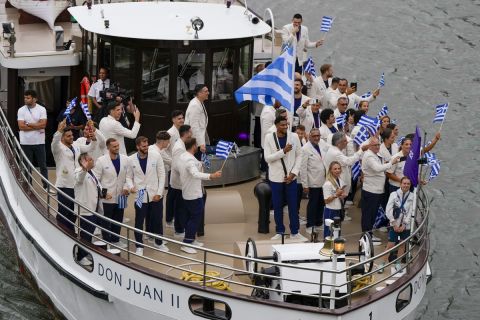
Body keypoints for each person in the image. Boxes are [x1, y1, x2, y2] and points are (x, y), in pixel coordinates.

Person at [264, 116, 307, 241]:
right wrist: (283, 151)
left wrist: (294, 173)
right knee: (277, 206)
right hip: (276, 178)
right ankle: (280, 231)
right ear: (276, 125)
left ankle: (295, 232)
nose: (285, 127)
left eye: (286, 125)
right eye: (282, 125)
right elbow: (268, 158)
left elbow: (299, 155)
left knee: (293, 206)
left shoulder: (293, 136)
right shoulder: (269, 137)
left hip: (291, 178)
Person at [178, 138, 222, 254]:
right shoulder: (189, 160)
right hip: (193, 194)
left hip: (188, 192)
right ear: (193, 146)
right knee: (195, 218)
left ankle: (191, 239)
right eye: (196, 145)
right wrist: (211, 176)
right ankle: (186, 243)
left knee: (191, 217)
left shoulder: (184, 156)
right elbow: (194, 173)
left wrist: (200, 164)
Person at [51, 120, 96, 232]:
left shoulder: (76, 145)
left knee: (74, 211)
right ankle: (60, 231)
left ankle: (70, 231)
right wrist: (58, 131)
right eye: (68, 136)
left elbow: (89, 148)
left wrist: (94, 140)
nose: (71, 137)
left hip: (76, 184)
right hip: (64, 185)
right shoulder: (58, 148)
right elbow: (54, 142)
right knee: (64, 211)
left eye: (72, 135)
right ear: (62, 138)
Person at [127, 136, 167, 256]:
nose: (146, 148)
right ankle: (139, 245)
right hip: (140, 194)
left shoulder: (156, 156)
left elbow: (162, 175)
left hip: (155, 193)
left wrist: (159, 193)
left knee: (157, 219)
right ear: (138, 147)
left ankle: (158, 243)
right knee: (139, 221)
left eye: (147, 145)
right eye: (143, 146)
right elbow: (129, 176)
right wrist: (130, 186)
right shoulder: (131, 159)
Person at [361, 137, 400, 244]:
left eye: (378, 145)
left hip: (376, 190)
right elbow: (377, 168)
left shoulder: (374, 154)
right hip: (371, 190)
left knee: (372, 214)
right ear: (369, 146)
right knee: (368, 214)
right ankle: (366, 237)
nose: (378, 147)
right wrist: (391, 163)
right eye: (375, 145)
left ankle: (369, 235)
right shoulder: (369, 156)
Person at [94, 138, 130, 248]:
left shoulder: (125, 159)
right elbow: (96, 179)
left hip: (122, 196)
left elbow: (128, 177)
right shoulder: (101, 160)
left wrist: (126, 187)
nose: (117, 148)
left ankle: (116, 239)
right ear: (108, 147)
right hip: (107, 197)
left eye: (117, 146)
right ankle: (106, 240)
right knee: (106, 220)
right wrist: (103, 194)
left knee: (118, 219)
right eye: (114, 146)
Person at [324, 132, 368, 221]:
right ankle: (336, 220)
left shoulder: (334, 150)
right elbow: (349, 161)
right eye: (345, 141)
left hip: (337, 181)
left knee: (338, 203)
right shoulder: (336, 153)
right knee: (336, 203)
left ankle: (338, 217)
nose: (347, 142)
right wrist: (361, 151)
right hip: (337, 182)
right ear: (339, 143)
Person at [378, 177, 414, 273]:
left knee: (402, 244)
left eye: (408, 184)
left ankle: (398, 264)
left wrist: (404, 224)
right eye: (404, 183)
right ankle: (382, 264)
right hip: (395, 224)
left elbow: (411, 211)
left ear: (410, 185)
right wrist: (394, 224)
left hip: (405, 226)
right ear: (400, 184)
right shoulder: (394, 194)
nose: (406, 185)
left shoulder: (412, 196)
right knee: (390, 245)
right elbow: (388, 210)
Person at [17, 90, 49, 190]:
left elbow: (43, 124)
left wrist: (28, 124)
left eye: (28, 98)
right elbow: (21, 127)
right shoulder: (21, 110)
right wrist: (37, 125)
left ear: (35, 99)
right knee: (27, 166)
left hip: (39, 142)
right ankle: (28, 185)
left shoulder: (42, 109)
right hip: (25, 142)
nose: (25, 100)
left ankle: (46, 186)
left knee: (43, 165)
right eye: (25, 98)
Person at [74, 153, 102, 266]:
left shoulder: (92, 172)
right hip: (85, 209)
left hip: (93, 207)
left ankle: (85, 253)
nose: (93, 160)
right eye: (90, 159)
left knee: (89, 233)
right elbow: (79, 179)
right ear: (83, 162)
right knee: (85, 234)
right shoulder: (78, 172)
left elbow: (96, 185)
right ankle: (80, 257)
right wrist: (84, 168)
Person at [300, 128, 328, 234]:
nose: (317, 138)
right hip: (312, 181)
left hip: (323, 180)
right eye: (314, 136)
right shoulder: (305, 149)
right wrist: (305, 185)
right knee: (313, 204)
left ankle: (318, 222)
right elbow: (303, 168)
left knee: (321, 202)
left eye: (318, 136)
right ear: (310, 136)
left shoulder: (322, 144)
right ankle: (310, 225)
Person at [169, 125, 193, 238]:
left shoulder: (181, 144)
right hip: (179, 182)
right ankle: (179, 230)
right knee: (180, 207)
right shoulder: (179, 147)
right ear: (186, 133)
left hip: (180, 181)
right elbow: (178, 166)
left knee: (180, 206)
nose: (191, 134)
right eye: (190, 132)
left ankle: (179, 228)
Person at [165, 111, 185, 227]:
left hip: (181, 168)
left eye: (182, 118)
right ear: (173, 120)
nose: (181, 120)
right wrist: (173, 163)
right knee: (172, 194)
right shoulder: (170, 133)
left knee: (178, 194)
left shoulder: (183, 131)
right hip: (173, 168)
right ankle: (168, 219)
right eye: (179, 118)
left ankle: (176, 217)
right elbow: (163, 150)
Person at [322, 161, 348, 238]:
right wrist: (336, 195)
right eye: (335, 169)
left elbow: (340, 194)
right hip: (330, 210)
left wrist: (342, 195)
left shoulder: (340, 181)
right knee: (329, 233)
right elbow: (326, 200)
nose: (337, 170)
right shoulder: (327, 184)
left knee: (337, 231)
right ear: (330, 170)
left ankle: (337, 247)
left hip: (338, 209)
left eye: (339, 168)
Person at [185, 84, 209, 156]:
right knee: (197, 162)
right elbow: (194, 126)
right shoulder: (194, 105)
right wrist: (201, 143)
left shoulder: (200, 101)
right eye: (206, 91)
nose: (208, 93)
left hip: (199, 138)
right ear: (199, 93)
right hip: (195, 142)